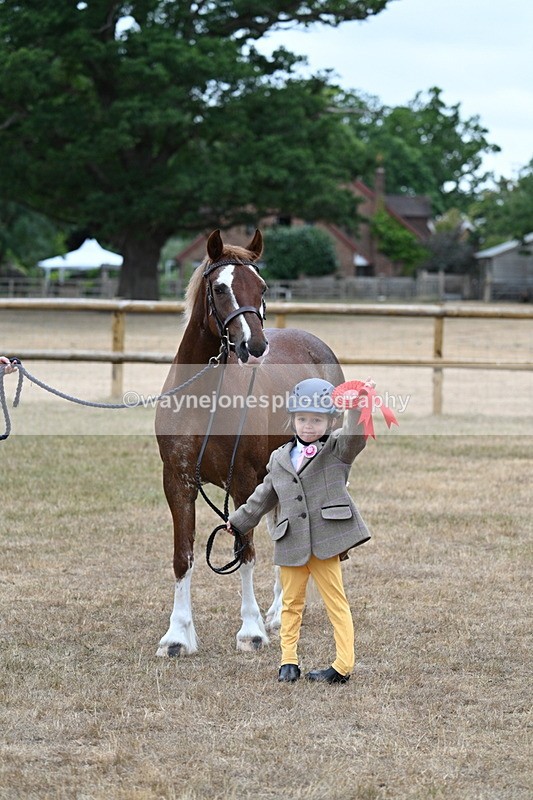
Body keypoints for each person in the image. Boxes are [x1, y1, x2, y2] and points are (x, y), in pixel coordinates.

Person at [226, 377, 372, 685]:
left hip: (326, 541)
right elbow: (264, 495)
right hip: (290, 541)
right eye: (302, 419)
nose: (308, 426)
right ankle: (288, 661)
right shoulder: (279, 458)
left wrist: (358, 406)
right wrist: (239, 521)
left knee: (336, 602)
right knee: (291, 603)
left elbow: (356, 437)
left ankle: (343, 665)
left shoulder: (337, 449)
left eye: (316, 420)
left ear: (330, 420)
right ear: (292, 419)